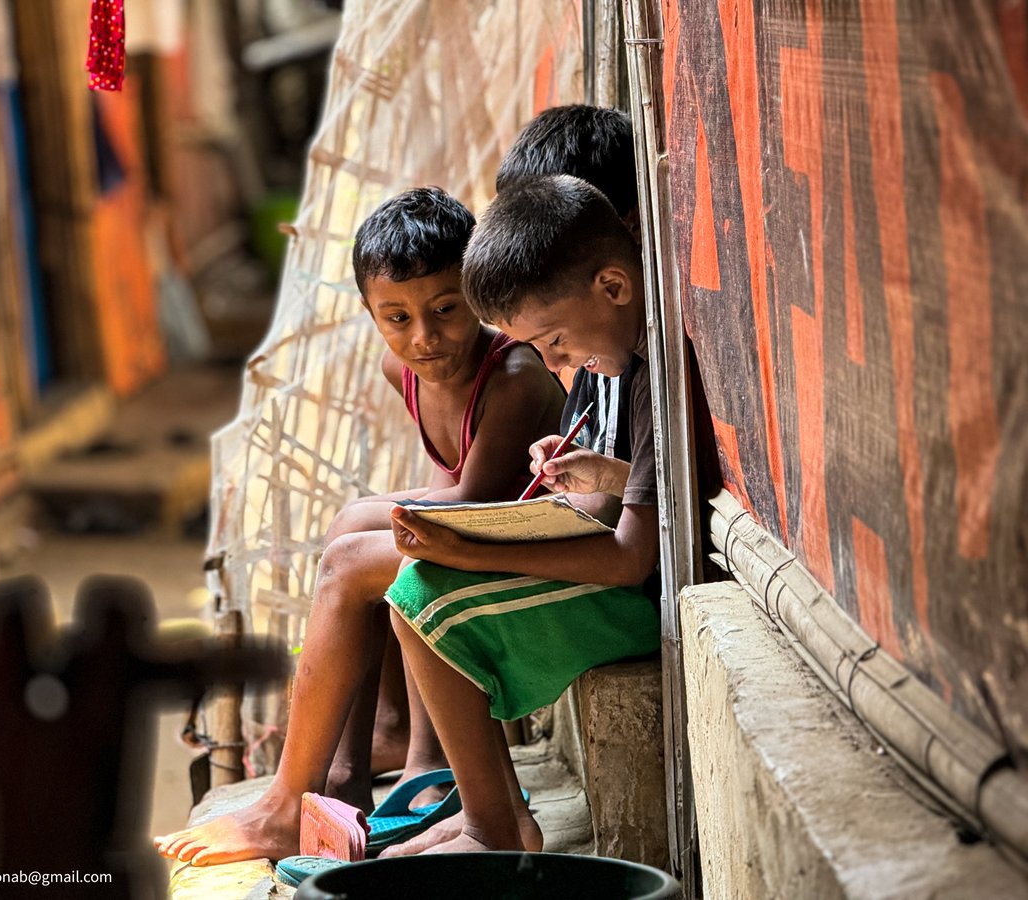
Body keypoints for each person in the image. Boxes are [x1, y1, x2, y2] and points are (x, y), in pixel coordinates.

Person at [153, 186, 565, 865]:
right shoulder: (399, 367)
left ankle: (296, 801)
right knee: (354, 529)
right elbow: (446, 491)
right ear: (371, 314)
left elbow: (478, 508)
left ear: (478, 295)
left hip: (528, 551)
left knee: (354, 554)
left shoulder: (514, 376)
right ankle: (355, 765)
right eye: (396, 317)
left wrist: (374, 527)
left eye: (445, 310)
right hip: (475, 535)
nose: (424, 338)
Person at [384, 172, 662, 855]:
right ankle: (489, 812)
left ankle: (497, 826)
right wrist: (599, 475)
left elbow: (630, 559)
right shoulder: (614, 363)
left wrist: (475, 553)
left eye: (554, 343)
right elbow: (644, 496)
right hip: (628, 577)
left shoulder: (650, 376)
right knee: (416, 587)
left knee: (419, 597)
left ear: (615, 288)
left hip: (648, 601)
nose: (553, 363)